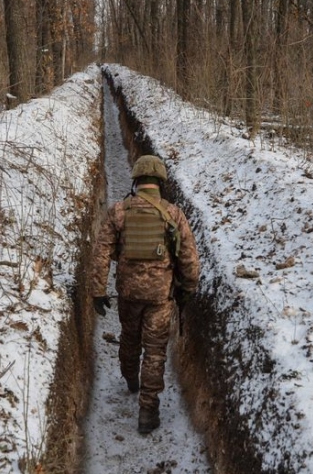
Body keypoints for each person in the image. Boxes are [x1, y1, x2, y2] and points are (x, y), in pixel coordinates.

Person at [89, 154, 200, 434]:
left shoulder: (119, 211)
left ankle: (130, 378)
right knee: (154, 352)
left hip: (128, 294)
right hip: (160, 297)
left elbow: (101, 252)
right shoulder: (173, 214)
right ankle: (148, 411)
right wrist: (188, 290)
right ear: (160, 181)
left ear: (136, 180)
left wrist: (97, 291)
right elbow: (189, 260)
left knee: (129, 337)